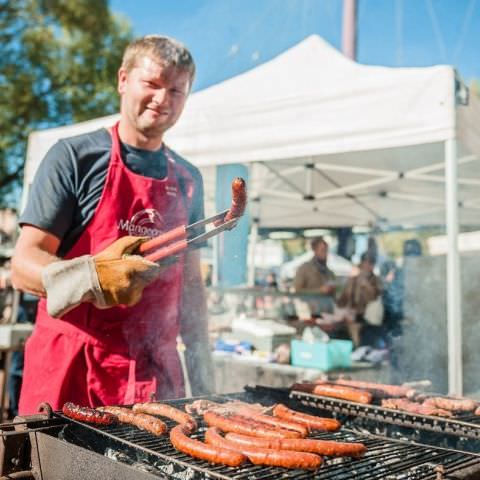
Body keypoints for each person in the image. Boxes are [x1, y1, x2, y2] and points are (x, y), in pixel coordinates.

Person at [12, 35, 213, 414]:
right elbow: (23, 266)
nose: (163, 100)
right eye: (152, 84)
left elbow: (192, 290)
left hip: (154, 377)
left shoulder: (188, 179)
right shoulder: (74, 158)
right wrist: (93, 277)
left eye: (176, 90)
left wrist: (206, 386)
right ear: (123, 80)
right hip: (73, 367)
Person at [337, 252, 383, 347]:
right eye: (365, 263)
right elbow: (343, 299)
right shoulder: (352, 279)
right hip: (352, 313)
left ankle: (359, 349)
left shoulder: (376, 280)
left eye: (370, 263)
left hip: (368, 316)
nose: (367, 266)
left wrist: (367, 285)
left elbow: (376, 296)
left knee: (355, 327)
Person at [293, 237, 336, 316]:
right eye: (322, 250)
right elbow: (297, 290)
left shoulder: (329, 272)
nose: (325, 253)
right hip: (309, 312)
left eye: (326, 250)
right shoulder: (304, 268)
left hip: (327, 311)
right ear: (314, 250)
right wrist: (319, 291)